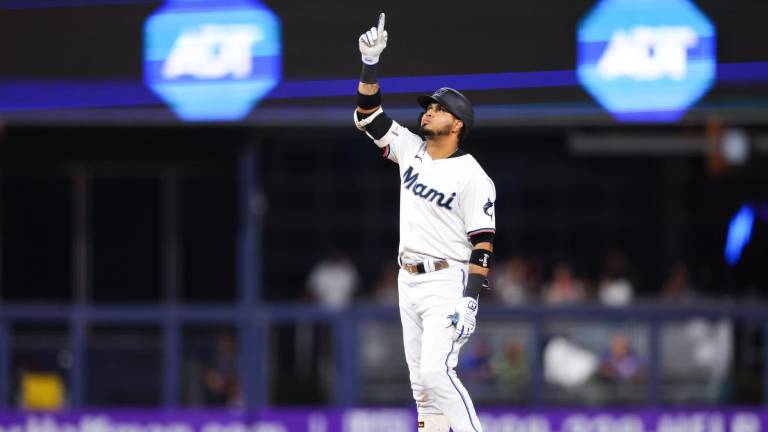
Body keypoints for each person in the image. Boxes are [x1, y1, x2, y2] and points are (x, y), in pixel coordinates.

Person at [354, 14, 496, 432]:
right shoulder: (411, 148)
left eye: (439, 109)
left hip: (445, 281)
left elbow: (483, 243)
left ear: (457, 124)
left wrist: (471, 299)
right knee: (422, 389)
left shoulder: (473, 175)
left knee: (437, 374)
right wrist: (370, 63)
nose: (429, 112)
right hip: (407, 278)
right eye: (430, 106)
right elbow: (368, 115)